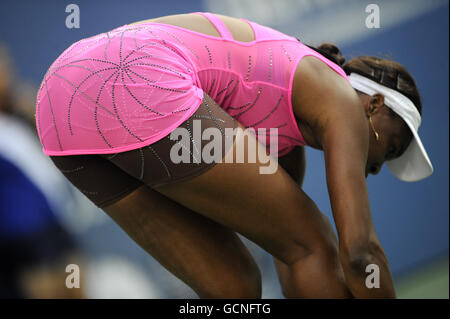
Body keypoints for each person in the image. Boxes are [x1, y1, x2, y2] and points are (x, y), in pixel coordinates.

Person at [35, 12, 433, 298]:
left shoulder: (288, 145)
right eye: (391, 148)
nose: (377, 167)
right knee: (316, 243)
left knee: (233, 286)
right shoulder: (342, 99)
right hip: (137, 78)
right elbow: (359, 252)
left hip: (58, 108)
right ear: (374, 105)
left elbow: (289, 253)